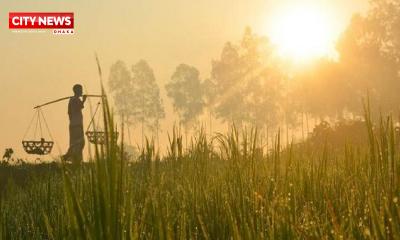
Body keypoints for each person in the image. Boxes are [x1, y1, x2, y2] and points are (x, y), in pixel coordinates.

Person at [62, 84, 87, 164]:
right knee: (79, 142)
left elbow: (69, 112)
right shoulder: (74, 100)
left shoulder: (73, 100)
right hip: (76, 125)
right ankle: (68, 156)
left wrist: (72, 120)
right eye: (80, 90)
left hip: (75, 124)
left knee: (76, 143)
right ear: (76, 91)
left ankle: (75, 159)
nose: (82, 91)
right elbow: (78, 107)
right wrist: (84, 100)